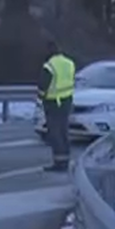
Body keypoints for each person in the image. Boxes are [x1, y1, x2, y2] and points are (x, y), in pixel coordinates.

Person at [37, 40, 75, 172]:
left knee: (55, 133)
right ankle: (65, 160)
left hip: (53, 103)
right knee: (63, 132)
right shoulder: (69, 63)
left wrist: (39, 99)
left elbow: (43, 85)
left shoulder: (50, 66)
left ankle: (59, 163)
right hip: (67, 101)